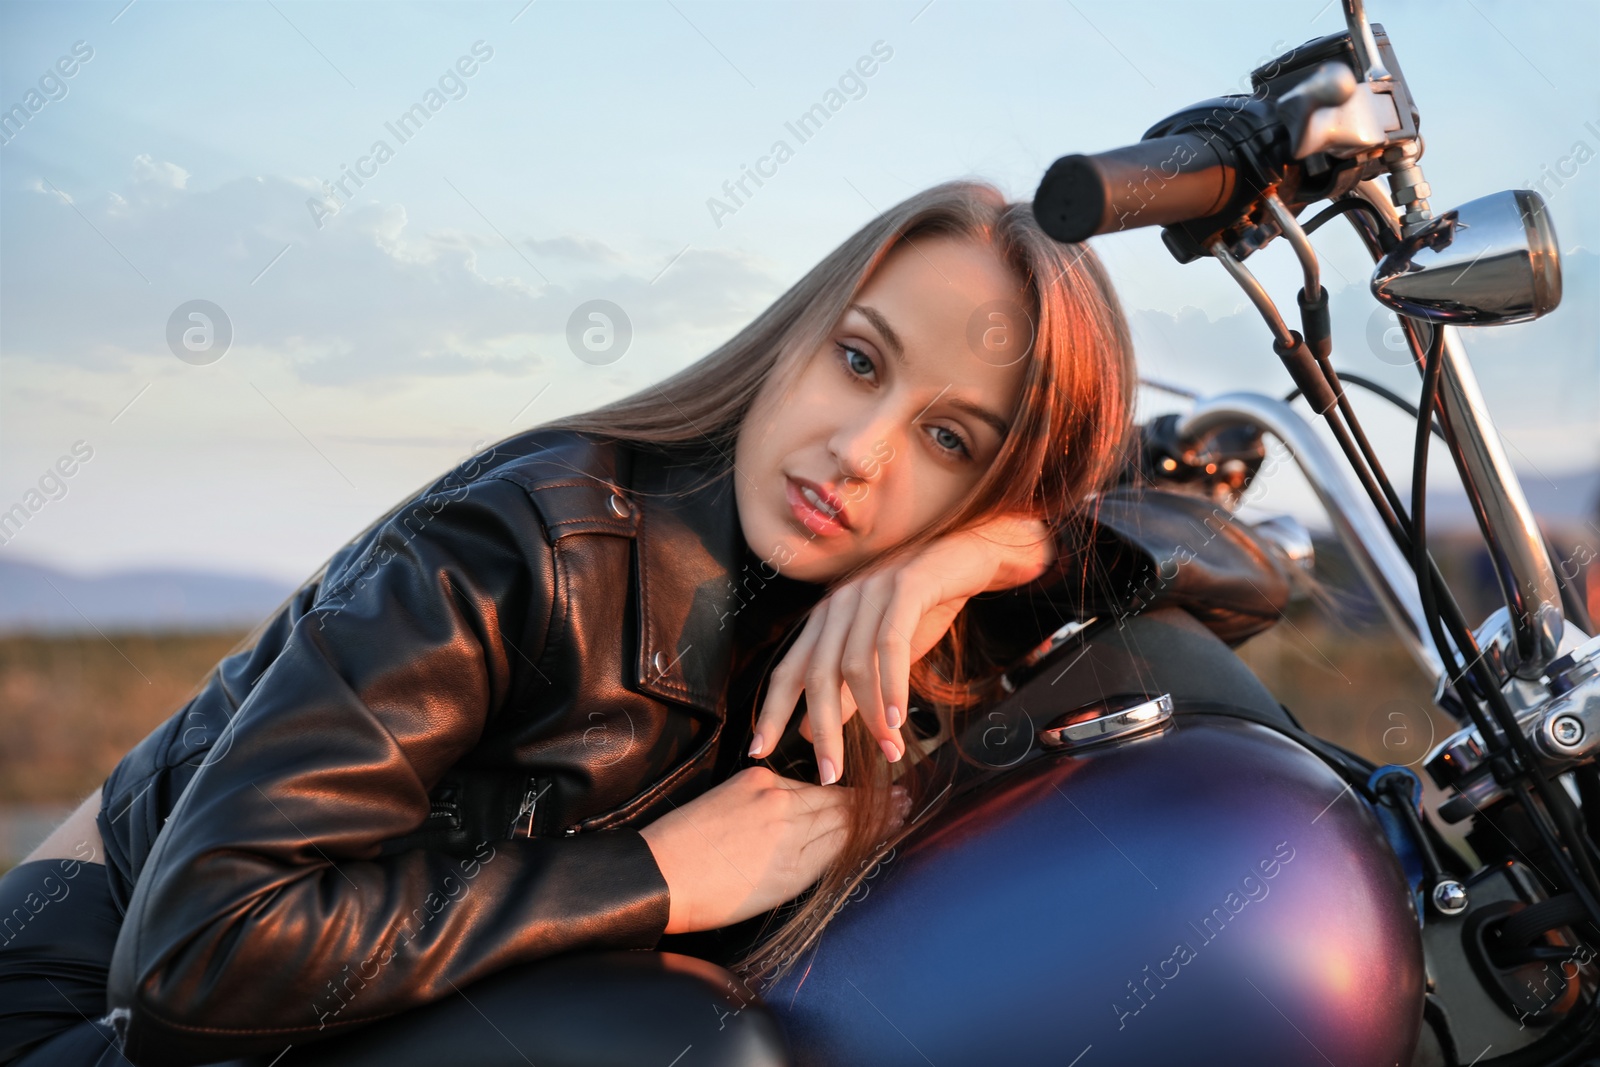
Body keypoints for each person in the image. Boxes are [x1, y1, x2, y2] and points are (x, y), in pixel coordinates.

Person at [0, 179, 1135, 1067]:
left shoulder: (914, 591)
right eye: (857, 360)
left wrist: (1000, 547)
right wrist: (653, 873)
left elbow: (1227, 569)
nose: (860, 448)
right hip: (89, 1004)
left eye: (952, 441)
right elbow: (203, 949)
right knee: (681, 1042)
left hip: (301, 1009)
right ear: (794, 337)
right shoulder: (523, 547)